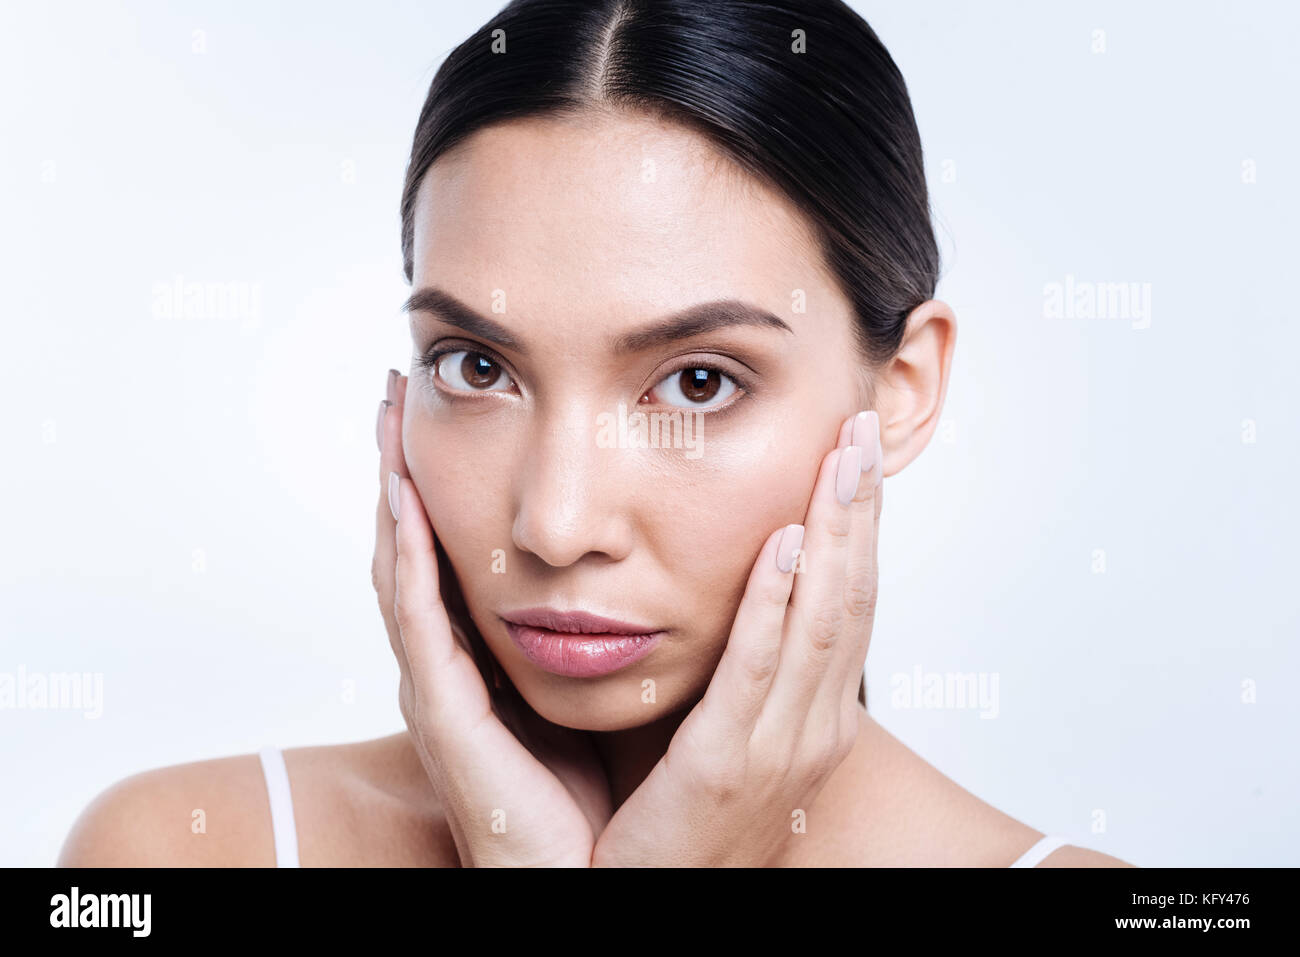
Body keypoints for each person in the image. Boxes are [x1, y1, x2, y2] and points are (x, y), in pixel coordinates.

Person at [59, 0, 1132, 867]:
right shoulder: (175, 854)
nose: (557, 525)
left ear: (900, 388)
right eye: (475, 368)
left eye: (698, 383)